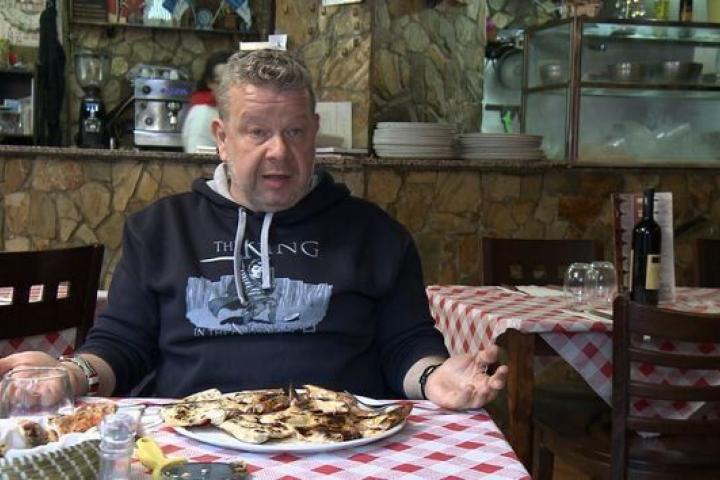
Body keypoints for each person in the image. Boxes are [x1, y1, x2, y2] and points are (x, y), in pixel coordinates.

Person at [0, 49, 507, 410]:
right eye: (257, 132)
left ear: (314, 133)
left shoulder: (377, 234)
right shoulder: (158, 230)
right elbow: (123, 345)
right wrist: (72, 373)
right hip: (195, 445)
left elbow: (406, 346)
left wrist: (434, 376)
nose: (279, 152)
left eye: (294, 132)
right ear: (222, 138)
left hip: (343, 445)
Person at [182, 50, 233, 153]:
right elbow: (199, 158)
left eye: (233, 83)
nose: (227, 89)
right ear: (210, 83)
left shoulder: (229, 110)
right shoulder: (202, 115)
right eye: (221, 82)